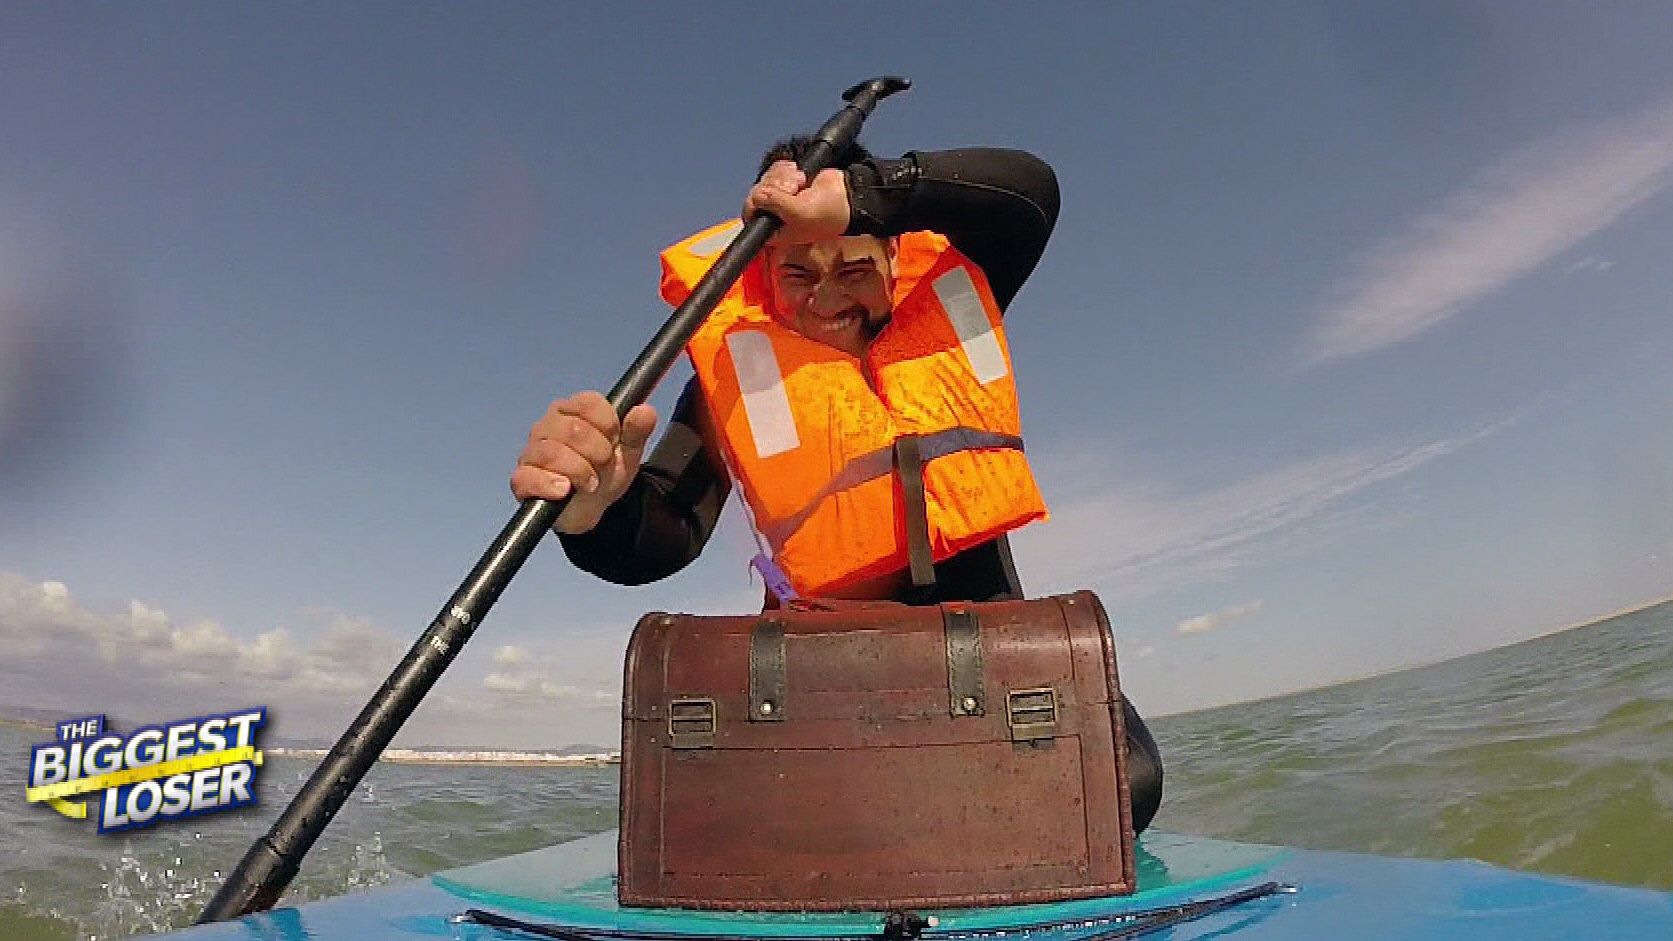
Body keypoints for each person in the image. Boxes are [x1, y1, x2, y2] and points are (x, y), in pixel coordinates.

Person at [511, 139, 1163, 832]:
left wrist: (862, 195)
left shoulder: (954, 291)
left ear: (891, 259)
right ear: (763, 275)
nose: (826, 297)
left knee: (1131, 783)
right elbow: (667, 530)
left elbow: (1032, 195)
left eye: (853, 265)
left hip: (978, 650)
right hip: (821, 669)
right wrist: (595, 511)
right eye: (798, 271)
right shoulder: (736, 379)